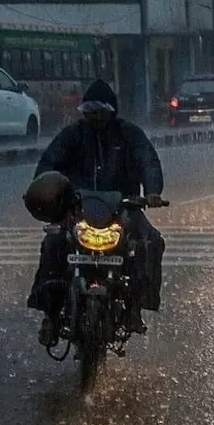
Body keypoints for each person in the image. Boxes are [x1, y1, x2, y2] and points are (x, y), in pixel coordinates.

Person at [25, 79, 166, 347]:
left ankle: (136, 306)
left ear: (112, 111)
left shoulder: (130, 135)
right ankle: (50, 316)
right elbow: (49, 163)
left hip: (123, 209)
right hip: (77, 210)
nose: (96, 117)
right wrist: (43, 186)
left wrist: (152, 192)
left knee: (151, 242)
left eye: (101, 112)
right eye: (90, 112)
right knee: (54, 243)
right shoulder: (72, 136)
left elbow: (148, 161)